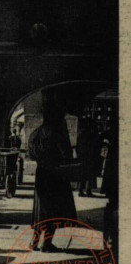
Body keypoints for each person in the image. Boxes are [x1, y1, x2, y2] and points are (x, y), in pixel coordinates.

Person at [27, 94, 77, 252]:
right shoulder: (57, 133)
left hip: (41, 173)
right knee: (54, 209)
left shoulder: (35, 133)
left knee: (41, 208)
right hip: (56, 174)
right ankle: (47, 243)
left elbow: (31, 154)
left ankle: (34, 242)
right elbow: (66, 155)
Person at [76, 116, 100, 197]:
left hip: (82, 156)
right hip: (88, 156)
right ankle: (88, 190)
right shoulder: (89, 133)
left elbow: (78, 146)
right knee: (89, 174)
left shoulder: (81, 133)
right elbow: (93, 145)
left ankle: (81, 190)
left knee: (82, 174)